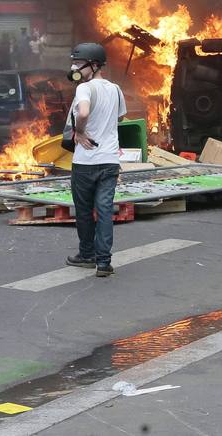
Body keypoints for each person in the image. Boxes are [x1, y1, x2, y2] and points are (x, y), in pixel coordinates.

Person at [64, 42, 127, 278]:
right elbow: (120, 119)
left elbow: (83, 113)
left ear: (94, 64)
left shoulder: (84, 89)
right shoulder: (116, 89)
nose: (74, 67)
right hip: (109, 159)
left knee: (83, 210)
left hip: (85, 162)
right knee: (104, 210)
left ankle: (87, 254)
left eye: (79, 63)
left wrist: (80, 132)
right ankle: (104, 263)